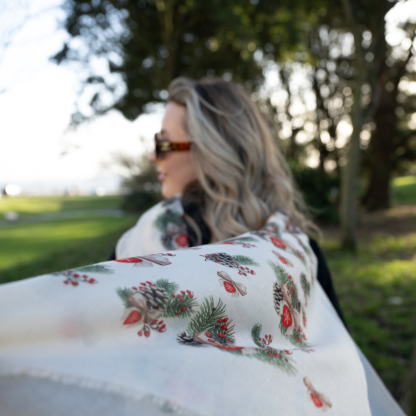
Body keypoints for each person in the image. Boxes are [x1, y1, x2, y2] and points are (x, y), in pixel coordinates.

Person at [114, 77, 346, 325]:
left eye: (163, 142)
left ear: (211, 151)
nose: (152, 155)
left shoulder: (142, 241)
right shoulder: (296, 250)